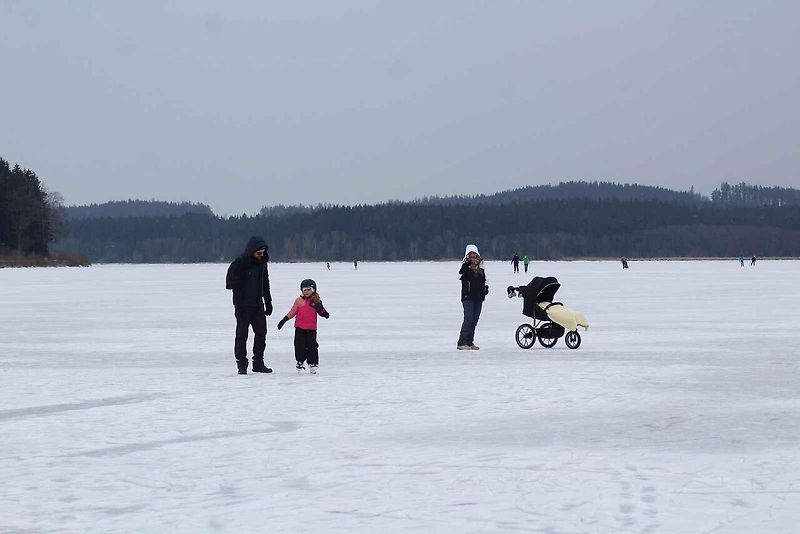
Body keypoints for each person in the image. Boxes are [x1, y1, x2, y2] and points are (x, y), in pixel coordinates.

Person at [225, 236, 273, 375]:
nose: (261, 255)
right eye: (259, 253)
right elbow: (229, 283)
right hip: (243, 307)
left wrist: (268, 302)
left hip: (258, 305)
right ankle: (241, 364)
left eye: (263, 252)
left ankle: (258, 363)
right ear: (252, 251)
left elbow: (265, 283)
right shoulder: (240, 263)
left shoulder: (263, 263)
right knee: (242, 336)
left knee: (261, 334)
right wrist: (240, 280)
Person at [277, 279, 330, 374]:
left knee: (312, 346)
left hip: (311, 328)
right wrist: (284, 319)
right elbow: (292, 311)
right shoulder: (299, 301)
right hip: (299, 328)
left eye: (309, 289)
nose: (306, 292)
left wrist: (325, 313)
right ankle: (300, 361)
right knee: (299, 345)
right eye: (304, 290)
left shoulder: (316, 301)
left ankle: (312, 362)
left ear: (313, 290)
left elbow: (321, 310)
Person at [458, 244, 488, 350]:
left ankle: (469, 342)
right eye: (470, 254)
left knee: (475, 319)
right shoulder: (465, 265)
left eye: (474, 253)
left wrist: (485, 288)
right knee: (468, 319)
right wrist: (466, 265)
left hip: (478, 297)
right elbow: (459, 276)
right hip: (468, 296)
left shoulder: (481, 266)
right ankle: (462, 342)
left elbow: (485, 278)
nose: (472, 256)